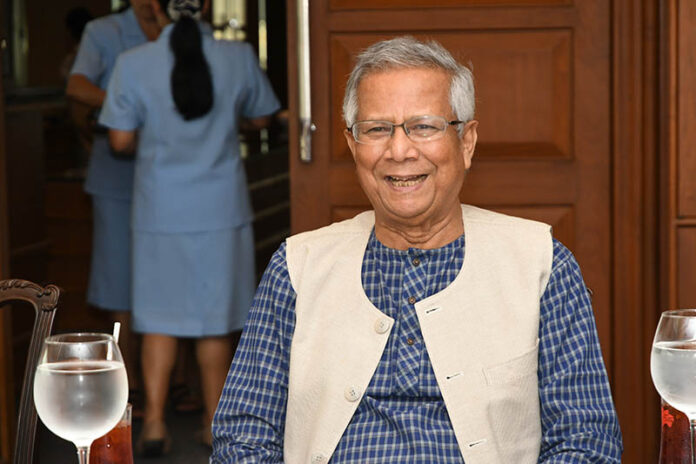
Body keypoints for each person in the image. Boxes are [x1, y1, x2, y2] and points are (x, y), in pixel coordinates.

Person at [210, 36, 623, 463]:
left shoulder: (540, 263)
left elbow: (586, 441)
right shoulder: (298, 266)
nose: (400, 150)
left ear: (466, 142)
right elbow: (243, 433)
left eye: (424, 126)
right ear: (353, 146)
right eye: (377, 129)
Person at [98, 0, 280, 456]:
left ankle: (155, 423)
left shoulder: (133, 63)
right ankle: (210, 424)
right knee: (214, 324)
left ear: (157, 7)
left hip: (160, 209)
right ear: (203, 7)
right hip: (220, 209)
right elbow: (262, 115)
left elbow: (119, 140)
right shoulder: (237, 57)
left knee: (158, 318)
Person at [65, 0, 161, 412]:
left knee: (168, 277)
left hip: (169, 173)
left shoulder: (181, 30)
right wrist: (122, 102)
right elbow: (77, 85)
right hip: (116, 170)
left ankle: (173, 378)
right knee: (120, 279)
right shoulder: (103, 32)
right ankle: (129, 379)